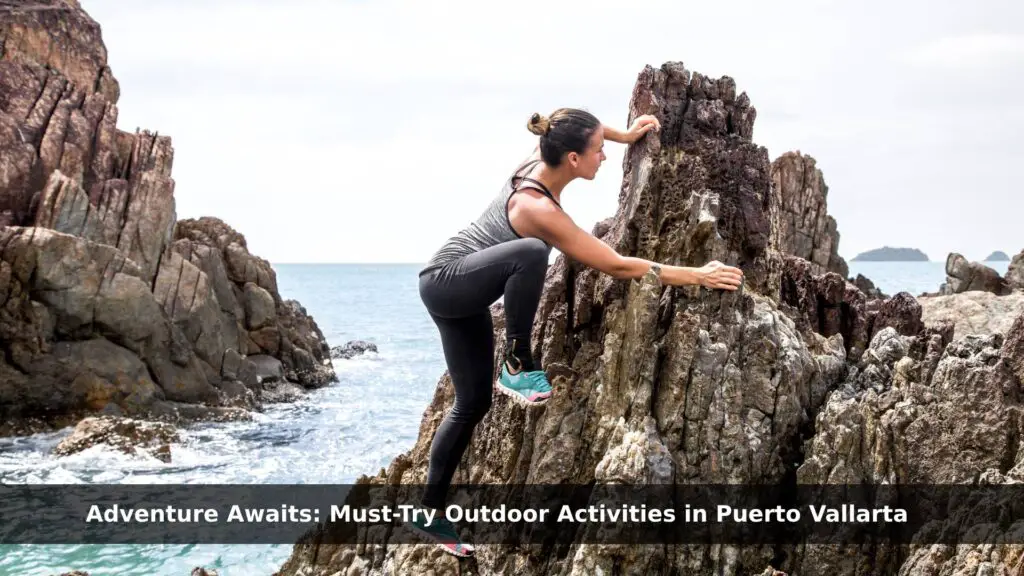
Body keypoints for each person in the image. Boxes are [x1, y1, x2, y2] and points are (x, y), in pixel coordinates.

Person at [409, 107, 744, 556]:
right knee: (529, 254)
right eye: (598, 151)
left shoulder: (542, 156)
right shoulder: (536, 208)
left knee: (473, 402)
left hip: (455, 291)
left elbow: (572, 123)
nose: (604, 156)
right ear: (571, 158)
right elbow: (615, 264)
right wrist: (698, 275)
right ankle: (517, 363)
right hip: (446, 281)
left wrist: (625, 134)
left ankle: (428, 512)